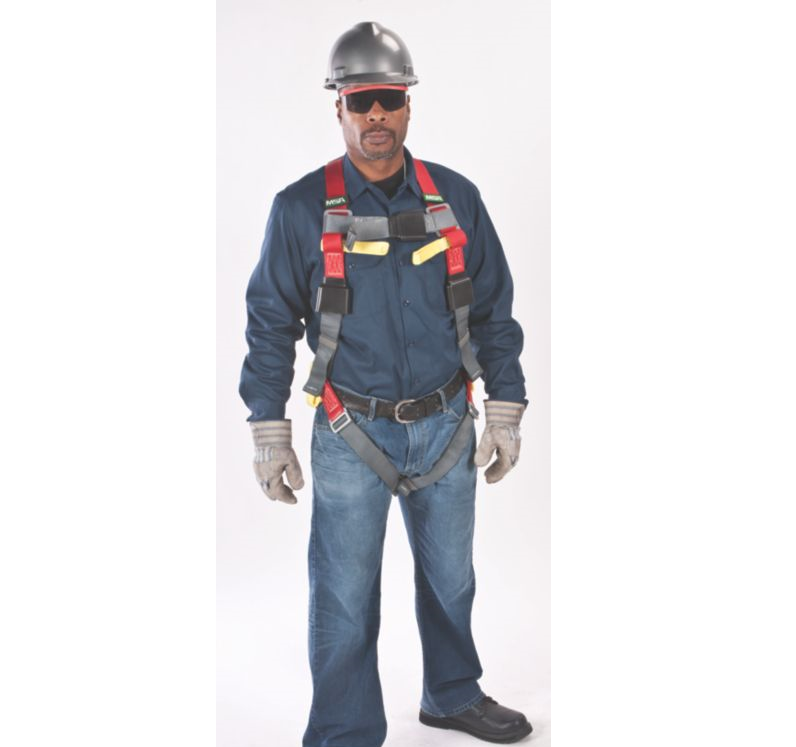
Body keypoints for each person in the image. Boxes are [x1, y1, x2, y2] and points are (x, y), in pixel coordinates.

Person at [239, 21, 533, 747]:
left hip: (447, 425)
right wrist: (269, 429)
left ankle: (452, 696)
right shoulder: (301, 209)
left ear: (408, 104)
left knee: (452, 578)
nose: (377, 114)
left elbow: (493, 310)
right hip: (352, 431)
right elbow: (270, 323)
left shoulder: (454, 199)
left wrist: (505, 407)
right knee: (343, 596)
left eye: (390, 99)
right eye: (361, 100)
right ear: (337, 105)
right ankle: (344, 730)